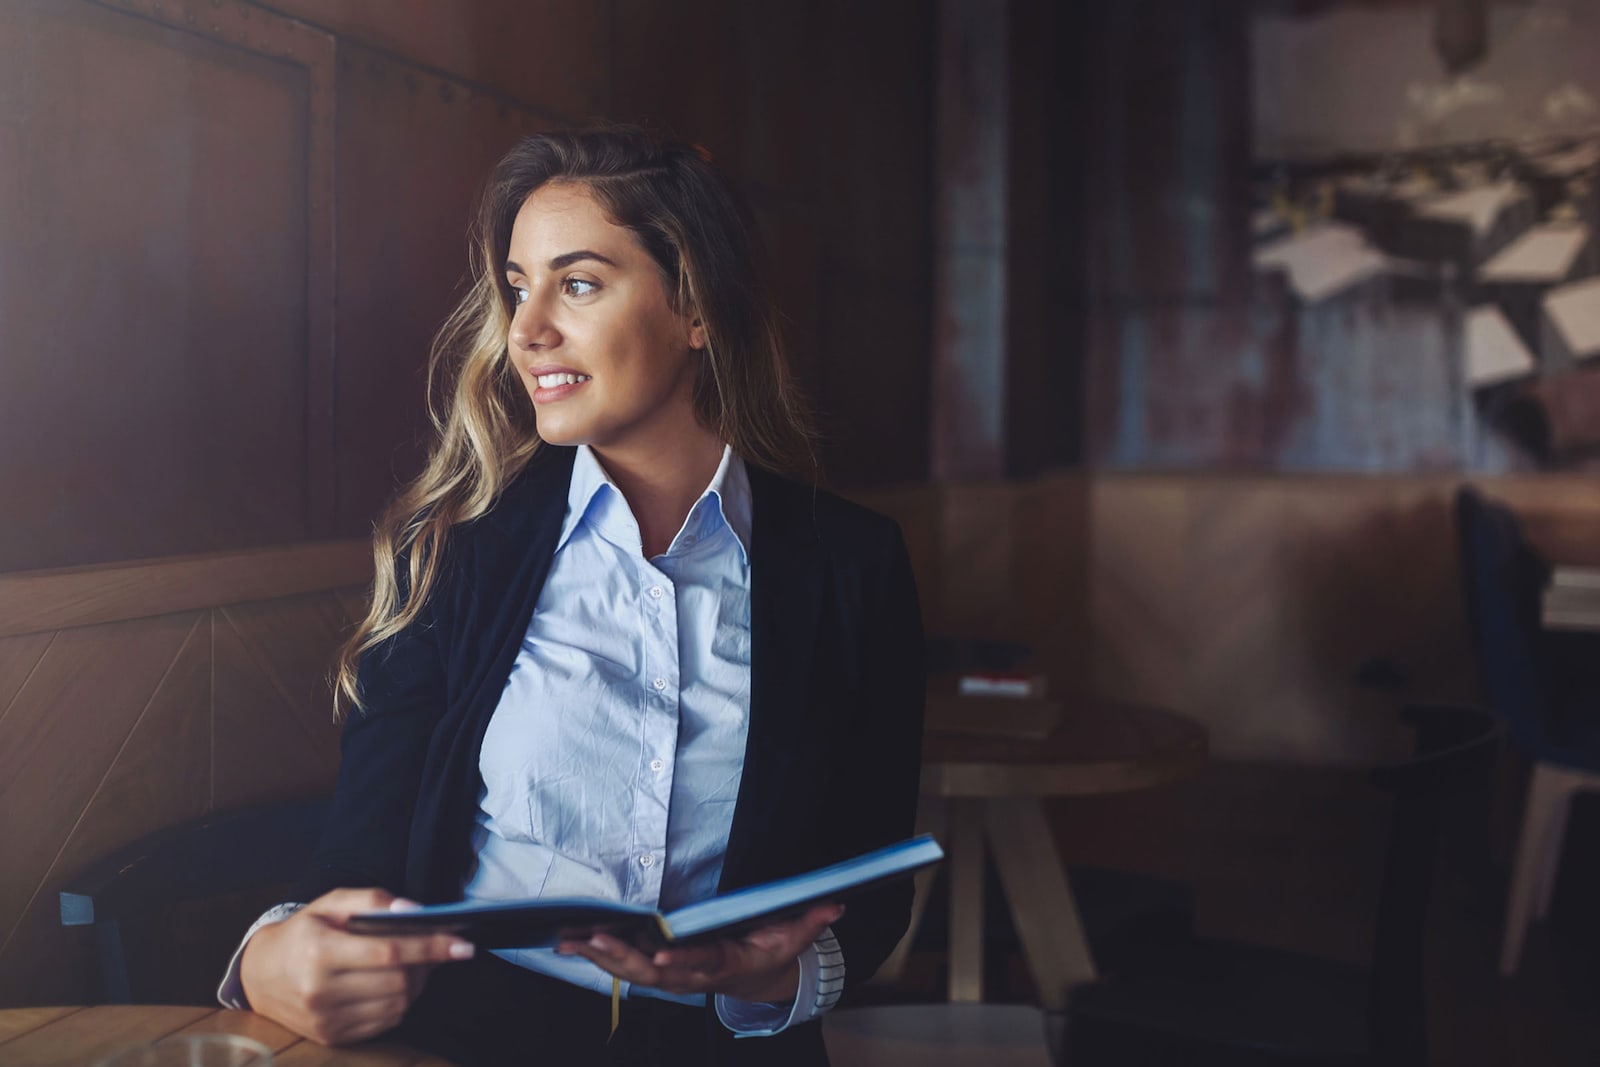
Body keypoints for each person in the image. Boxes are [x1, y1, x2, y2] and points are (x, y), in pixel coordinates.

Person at [218, 125, 926, 1066]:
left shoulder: (854, 566)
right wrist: (270, 953)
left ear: (696, 309)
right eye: (518, 285)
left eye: (578, 283)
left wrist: (760, 975)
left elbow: (870, 888)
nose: (526, 329)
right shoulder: (456, 550)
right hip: (464, 1043)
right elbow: (357, 864)